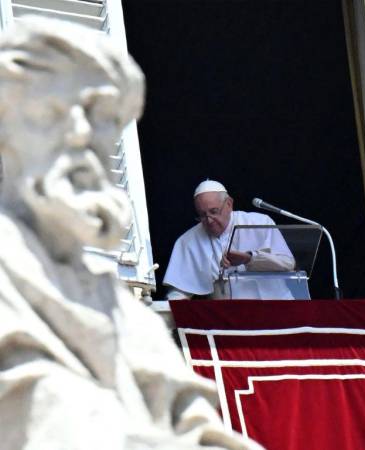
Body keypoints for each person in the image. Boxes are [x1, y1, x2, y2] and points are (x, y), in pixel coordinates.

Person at [0, 17, 260, 450]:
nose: (82, 135)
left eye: (99, 116)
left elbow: (193, 421)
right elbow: (39, 409)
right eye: (53, 113)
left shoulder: (116, 305)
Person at [164, 180, 295, 299]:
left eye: (214, 211)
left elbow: (288, 263)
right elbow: (179, 291)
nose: (209, 221)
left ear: (229, 204)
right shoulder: (188, 241)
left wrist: (249, 258)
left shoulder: (259, 222)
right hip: (229, 318)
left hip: (274, 307)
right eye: (202, 215)